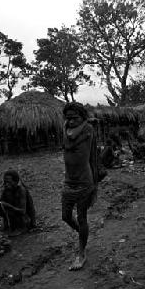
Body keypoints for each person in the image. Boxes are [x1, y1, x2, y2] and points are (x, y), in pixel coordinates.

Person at [61, 102, 100, 271]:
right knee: (65, 216)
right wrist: (67, 125)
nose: (70, 122)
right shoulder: (65, 130)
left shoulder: (88, 130)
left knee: (82, 216)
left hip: (84, 181)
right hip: (69, 181)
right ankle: (82, 234)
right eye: (67, 119)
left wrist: (96, 182)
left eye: (74, 118)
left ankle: (81, 253)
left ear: (83, 118)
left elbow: (91, 156)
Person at [0, 170, 36, 236]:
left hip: (25, 218)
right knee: (0, 207)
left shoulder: (21, 191)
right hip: (15, 214)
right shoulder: (7, 190)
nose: (6, 184)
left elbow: (22, 211)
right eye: (5, 182)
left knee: (7, 207)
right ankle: (9, 226)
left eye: (9, 182)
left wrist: (8, 206)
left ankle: (21, 227)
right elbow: (1, 202)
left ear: (15, 182)